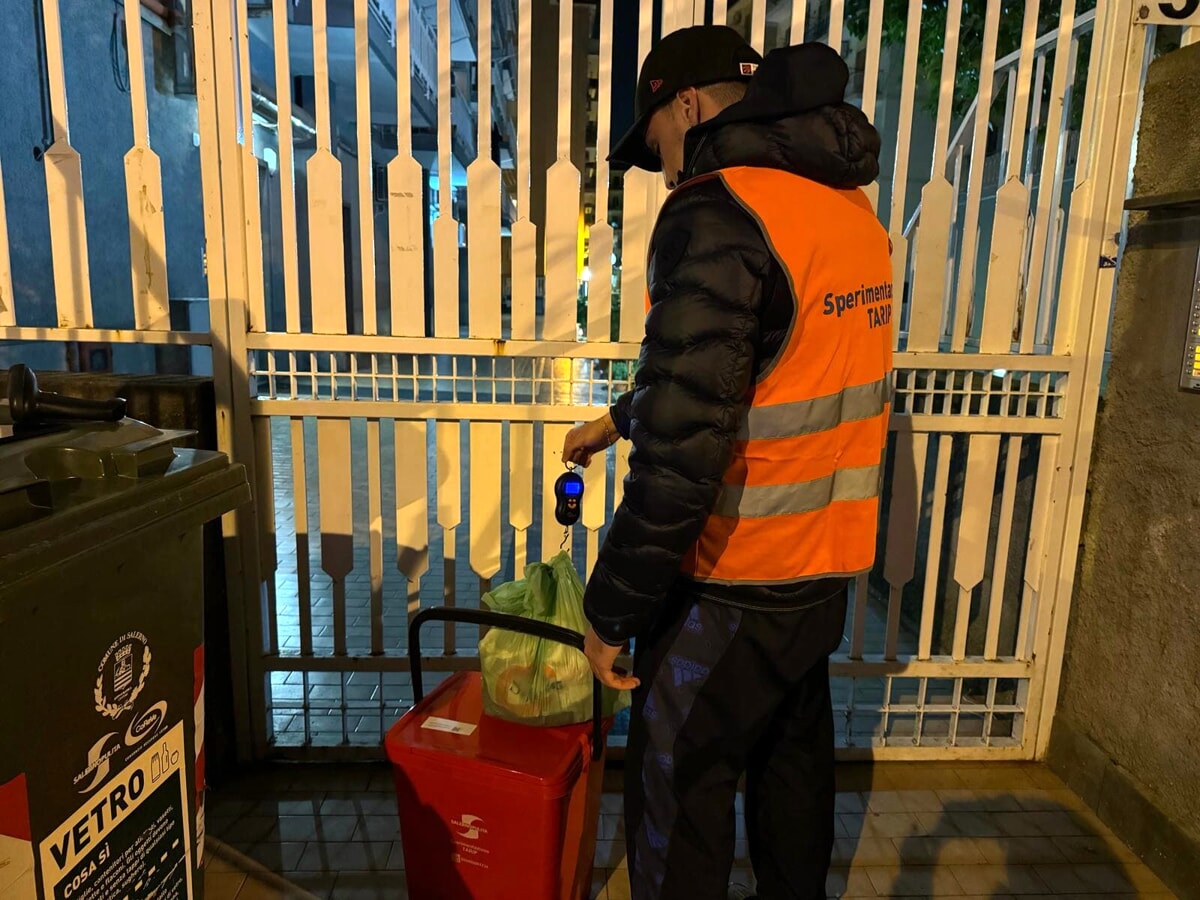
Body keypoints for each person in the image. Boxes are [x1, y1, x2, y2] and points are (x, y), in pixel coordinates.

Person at [561, 25, 894, 900]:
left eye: (659, 137)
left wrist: (610, 608)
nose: (664, 165)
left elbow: (685, 447)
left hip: (735, 575)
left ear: (690, 103)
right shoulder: (846, 209)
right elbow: (766, 368)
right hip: (820, 574)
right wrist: (616, 418)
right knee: (792, 780)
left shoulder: (718, 209)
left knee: (680, 791)